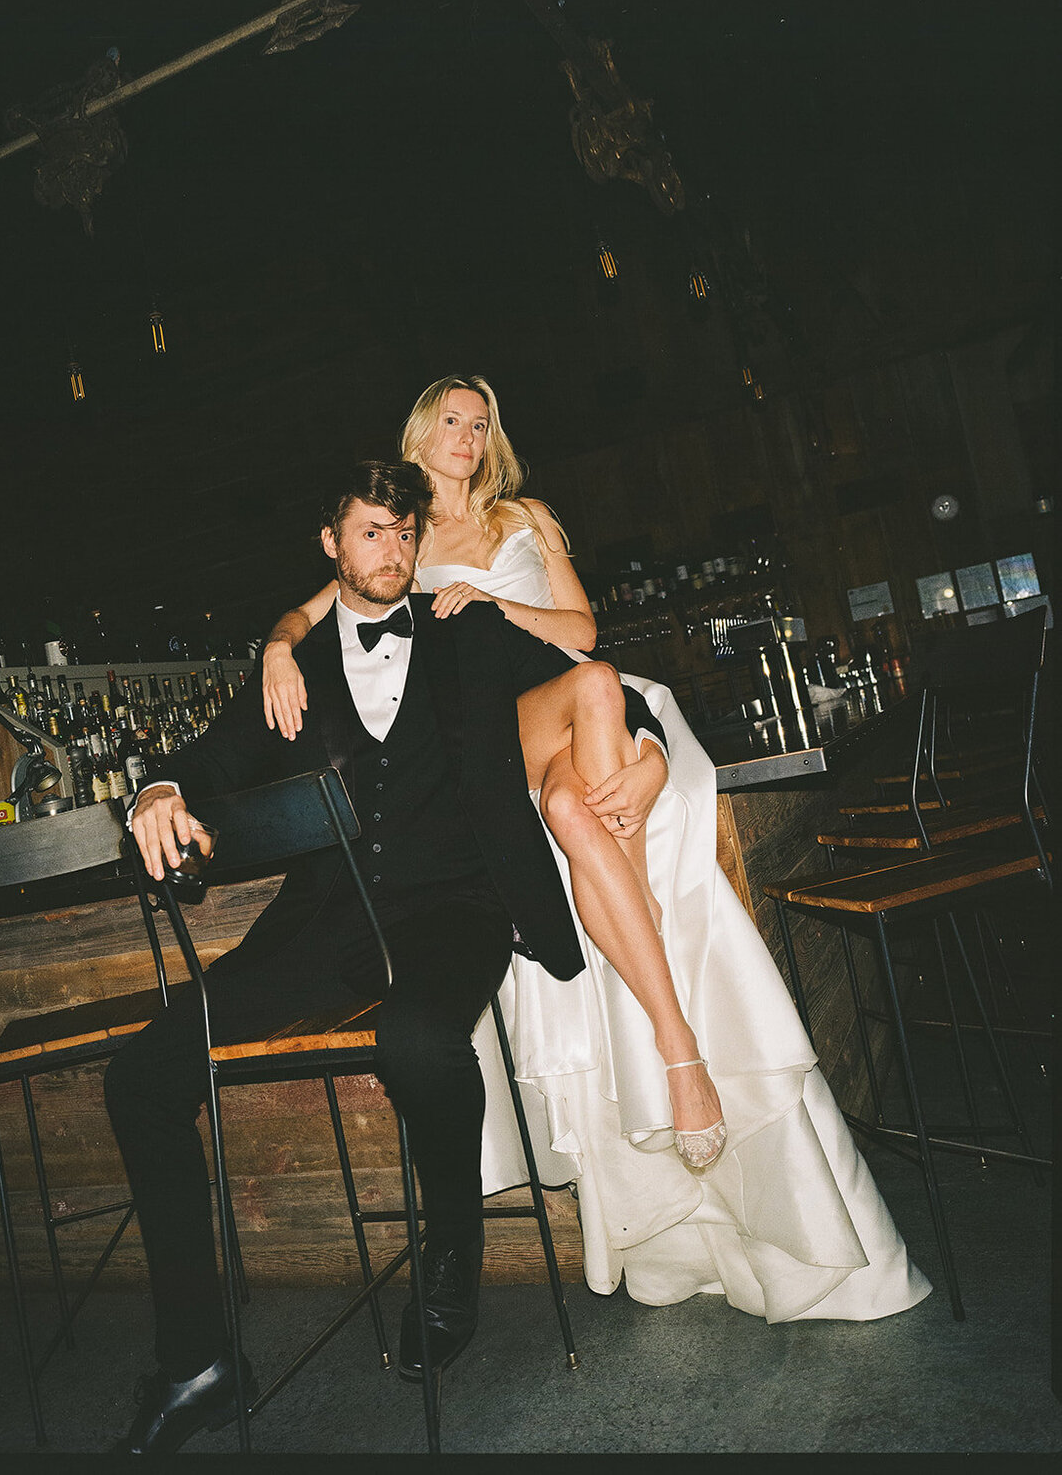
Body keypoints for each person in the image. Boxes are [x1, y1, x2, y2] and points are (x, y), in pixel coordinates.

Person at [261, 375, 934, 1326]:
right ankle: (671, 1023)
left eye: (480, 423)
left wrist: (492, 615)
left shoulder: (525, 515)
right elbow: (311, 611)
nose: (466, 435)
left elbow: (583, 634)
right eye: (450, 421)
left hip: (575, 699)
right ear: (419, 434)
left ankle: (677, 1047)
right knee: (582, 762)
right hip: (495, 736)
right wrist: (276, 651)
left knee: (582, 798)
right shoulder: (395, 537)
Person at [106, 458, 670, 1454]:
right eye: (371, 531)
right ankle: (196, 1356)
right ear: (331, 546)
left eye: (403, 532)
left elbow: (600, 678)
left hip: (451, 910)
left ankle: (450, 1242)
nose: (393, 551)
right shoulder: (293, 668)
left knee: (417, 1039)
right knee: (139, 1077)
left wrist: (655, 749)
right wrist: (157, 788)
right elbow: (213, 756)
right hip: (319, 925)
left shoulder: (468, 633)